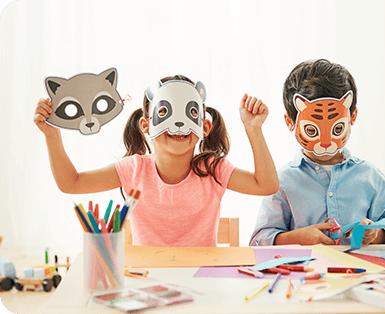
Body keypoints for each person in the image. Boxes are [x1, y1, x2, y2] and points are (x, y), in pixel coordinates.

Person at [34, 74, 278, 247]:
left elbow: (266, 185)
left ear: (203, 127)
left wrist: (253, 129)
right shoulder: (134, 169)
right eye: (164, 112)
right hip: (147, 278)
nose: (179, 125)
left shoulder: (213, 170)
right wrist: (52, 135)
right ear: (145, 125)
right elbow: (71, 183)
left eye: (191, 113)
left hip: (201, 279)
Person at [249, 59, 385, 246]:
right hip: (305, 273)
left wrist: (376, 234)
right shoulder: (280, 182)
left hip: (359, 273)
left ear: (352, 117)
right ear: (290, 122)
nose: (325, 143)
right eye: (312, 130)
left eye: (337, 128)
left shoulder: (371, 177)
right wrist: (297, 238)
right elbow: (259, 241)